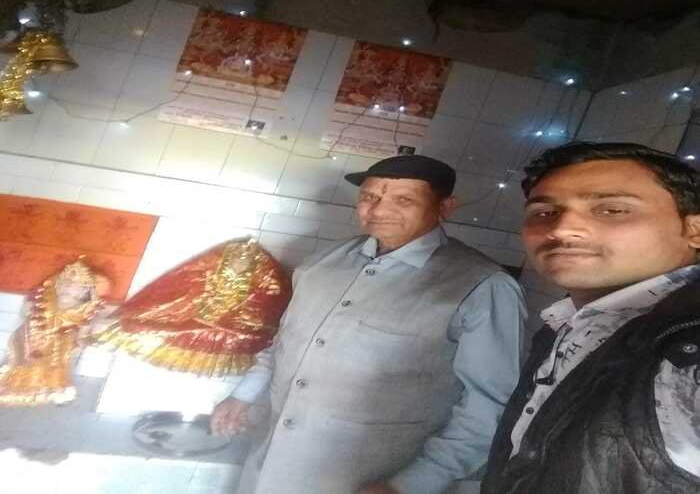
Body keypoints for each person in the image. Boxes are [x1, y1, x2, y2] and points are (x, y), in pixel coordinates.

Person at [211, 154, 526, 494]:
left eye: (403, 200)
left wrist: (412, 484)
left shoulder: (482, 286)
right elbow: (284, 341)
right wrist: (243, 394)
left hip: (372, 480)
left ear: (445, 207)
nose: (378, 210)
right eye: (369, 196)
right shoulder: (323, 263)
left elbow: (490, 405)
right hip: (268, 467)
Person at [481, 142, 700, 493]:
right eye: (544, 213)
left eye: (612, 210)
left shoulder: (686, 349)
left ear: (694, 230)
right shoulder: (567, 323)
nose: (561, 229)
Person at [93, 239, 292, 378]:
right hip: (202, 320)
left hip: (239, 331)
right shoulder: (209, 266)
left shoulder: (267, 275)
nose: (240, 261)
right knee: (160, 323)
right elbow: (180, 290)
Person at [0, 259, 109, 406]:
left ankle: (50, 387)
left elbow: (84, 338)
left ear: (86, 291)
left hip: (59, 351)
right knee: (28, 351)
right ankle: (14, 384)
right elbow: (27, 311)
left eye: (74, 284)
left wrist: (85, 336)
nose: (67, 285)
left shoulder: (86, 312)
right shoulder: (44, 299)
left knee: (60, 346)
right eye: (64, 281)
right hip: (31, 339)